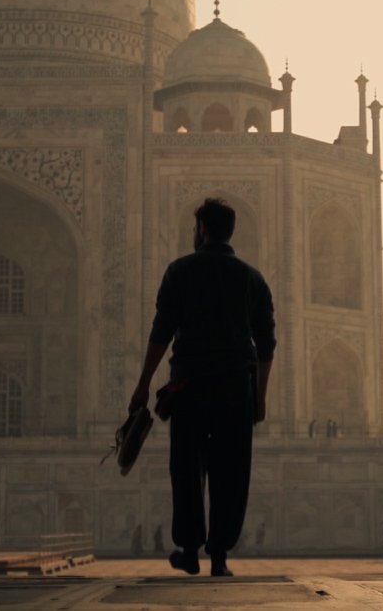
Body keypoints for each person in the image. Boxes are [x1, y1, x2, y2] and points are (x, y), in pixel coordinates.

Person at [131, 198, 276, 580]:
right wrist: (259, 395)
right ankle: (220, 558)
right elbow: (267, 342)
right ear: (230, 231)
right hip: (234, 385)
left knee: (187, 467)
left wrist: (144, 384)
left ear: (202, 230)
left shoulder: (180, 271)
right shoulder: (252, 278)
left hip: (190, 384)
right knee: (231, 469)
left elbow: (161, 332)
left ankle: (190, 550)